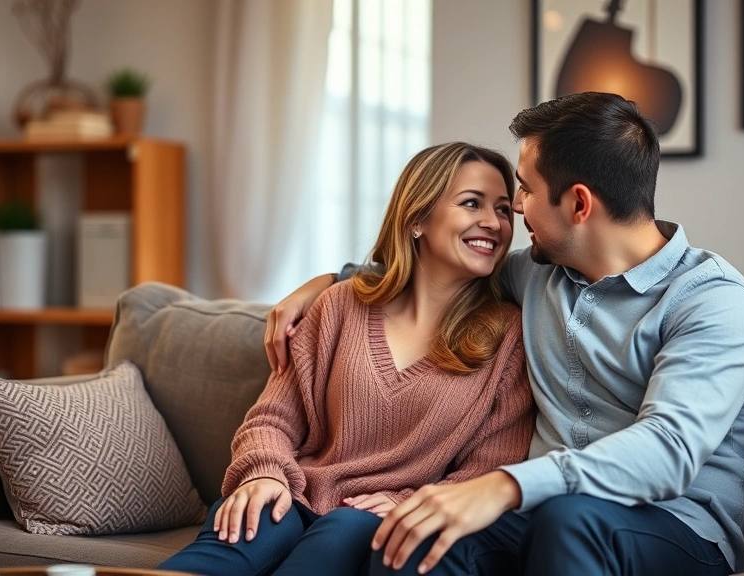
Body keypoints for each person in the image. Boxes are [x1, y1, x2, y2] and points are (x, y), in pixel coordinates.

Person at [265, 92, 744, 576]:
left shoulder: (712, 301)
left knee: (570, 520)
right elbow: (422, 267)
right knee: (412, 540)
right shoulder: (539, 273)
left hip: (677, 523)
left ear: (578, 204)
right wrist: (323, 283)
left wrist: (504, 486)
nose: (517, 207)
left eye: (524, 189)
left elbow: (668, 453)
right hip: (538, 510)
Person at [159, 142, 535, 576]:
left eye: (504, 210)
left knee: (341, 530)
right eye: (472, 203)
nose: (494, 223)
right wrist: (263, 474)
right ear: (417, 219)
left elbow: (490, 470)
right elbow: (272, 419)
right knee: (243, 525)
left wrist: (409, 501)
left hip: (378, 519)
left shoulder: (509, 337)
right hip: (295, 491)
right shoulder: (340, 305)